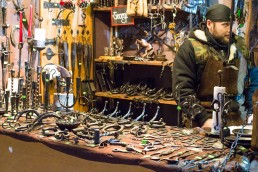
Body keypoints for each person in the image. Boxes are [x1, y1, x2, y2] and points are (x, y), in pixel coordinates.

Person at [172, 4, 251, 129]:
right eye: (225, 25)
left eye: (232, 24)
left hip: (236, 121)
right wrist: (203, 119)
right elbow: (182, 90)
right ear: (209, 24)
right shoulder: (190, 48)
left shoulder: (239, 48)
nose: (230, 30)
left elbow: (252, 83)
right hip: (203, 121)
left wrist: (251, 114)